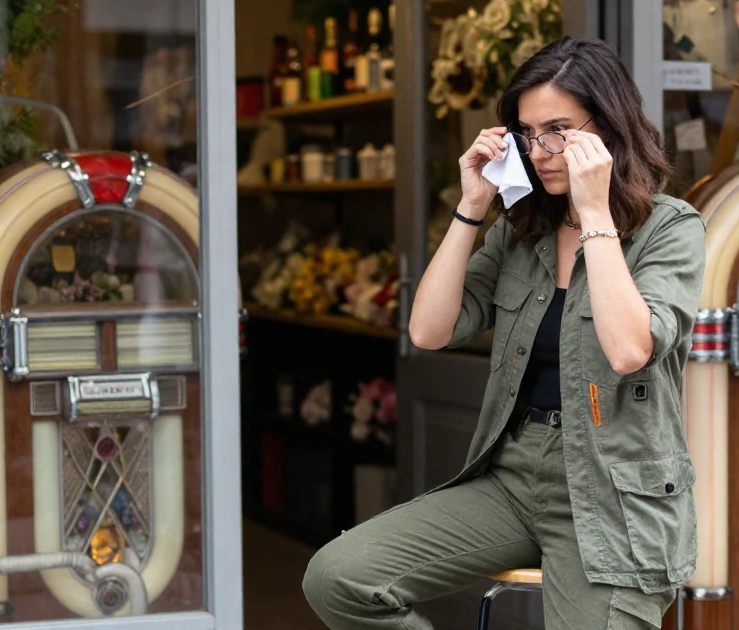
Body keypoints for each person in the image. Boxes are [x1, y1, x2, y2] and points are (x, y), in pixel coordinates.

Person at [302, 36, 706, 629]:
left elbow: (627, 350)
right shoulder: (525, 230)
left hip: (615, 496)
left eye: (559, 129)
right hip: (514, 477)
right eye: (527, 132)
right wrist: (472, 207)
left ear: (609, 126)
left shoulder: (670, 228)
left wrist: (595, 213)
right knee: (340, 578)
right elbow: (430, 330)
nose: (541, 151)